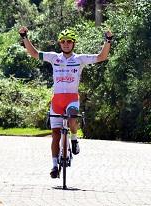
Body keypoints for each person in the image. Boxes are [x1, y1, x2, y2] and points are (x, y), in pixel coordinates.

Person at [19, 26, 112, 178]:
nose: (66, 44)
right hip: (57, 100)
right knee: (55, 135)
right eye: (63, 42)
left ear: (73, 43)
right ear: (60, 44)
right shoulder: (53, 57)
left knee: (72, 116)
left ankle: (74, 140)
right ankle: (55, 166)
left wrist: (108, 40)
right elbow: (34, 53)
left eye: (69, 41)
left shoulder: (79, 59)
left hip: (71, 99)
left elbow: (101, 57)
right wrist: (24, 36)